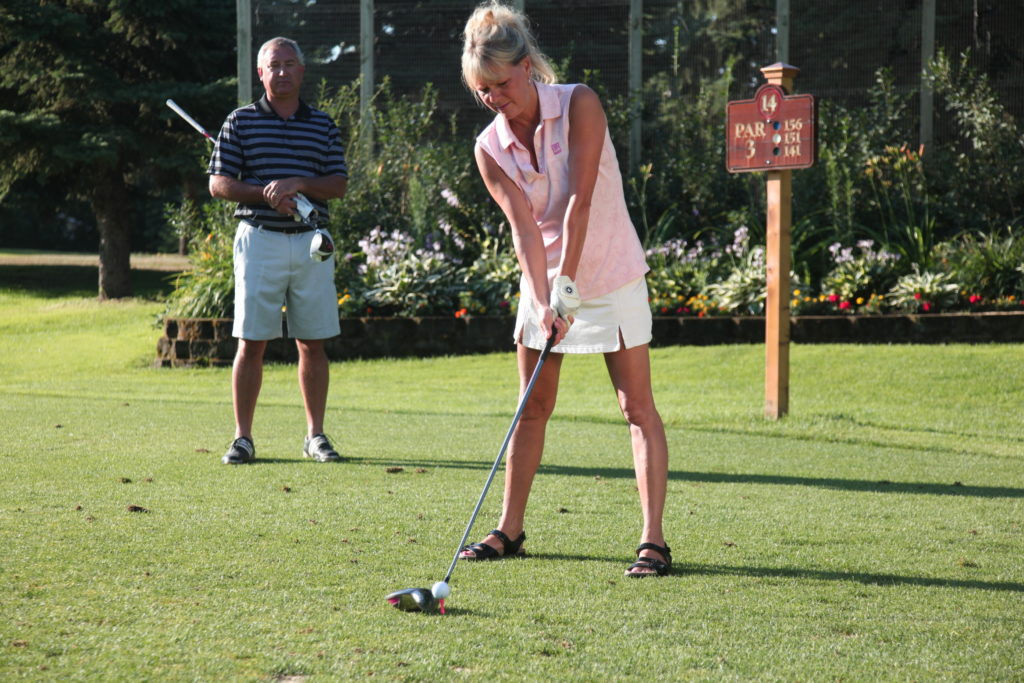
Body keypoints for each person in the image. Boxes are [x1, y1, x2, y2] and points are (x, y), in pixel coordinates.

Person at [458, 2, 671, 577]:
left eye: (500, 84)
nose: (493, 99)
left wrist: (566, 293)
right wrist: (540, 295)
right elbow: (525, 228)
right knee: (533, 408)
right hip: (544, 280)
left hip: (607, 268)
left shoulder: (579, 102)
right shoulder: (488, 148)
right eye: (482, 90)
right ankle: (509, 529)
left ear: (527, 67)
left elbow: (579, 201)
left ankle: (653, 541)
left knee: (636, 407)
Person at [208, 37, 348, 465]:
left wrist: (298, 184)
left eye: (290, 64)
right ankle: (243, 438)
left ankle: (315, 436)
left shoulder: (322, 125)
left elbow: (338, 184)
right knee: (251, 342)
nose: (283, 72)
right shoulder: (240, 121)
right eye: (275, 65)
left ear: (302, 72)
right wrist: (264, 194)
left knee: (313, 342)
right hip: (259, 240)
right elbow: (219, 184)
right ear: (261, 73)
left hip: (310, 244)